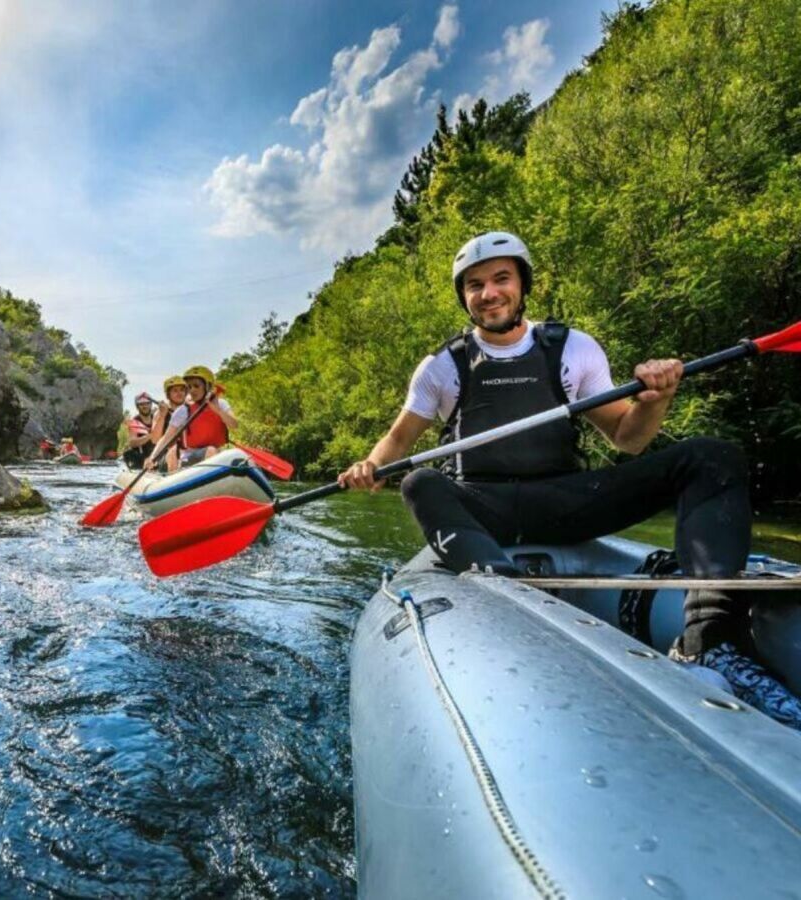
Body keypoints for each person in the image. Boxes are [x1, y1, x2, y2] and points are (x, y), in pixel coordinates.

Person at [337, 230, 801, 728]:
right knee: (419, 482)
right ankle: (509, 592)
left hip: (565, 501)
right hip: (483, 508)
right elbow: (397, 444)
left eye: (500, 279)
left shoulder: (571, 348)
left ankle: (710, 641)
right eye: (475, 284)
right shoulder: (442, 366)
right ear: (464, 296)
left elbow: (628, 439)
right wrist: (369, 465)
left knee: (711, 457)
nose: (489, 293)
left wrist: (655, 400)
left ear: (522, 285)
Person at [145, 365, 238, 472]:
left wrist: (218, 410)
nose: (192, 390)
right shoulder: (183, 410)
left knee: (215, 452)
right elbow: (166, 438)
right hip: (189, 456)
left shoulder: (221, 404)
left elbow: (234, 425)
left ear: (208, 386)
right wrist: (152, 457)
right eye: (189, 387)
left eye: (196, 386)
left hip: (217, 453)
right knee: (210, 451)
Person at [152, 375, 189, 470]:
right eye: (175, 391)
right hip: (165, 454)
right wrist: (162, 416)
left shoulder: (190, 410)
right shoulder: (159, 413)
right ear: (168, 394)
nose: (179, 393)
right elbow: (155, 440)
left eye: (182, 390)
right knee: (174, 450)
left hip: (187, 451)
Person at [122, 392, 157, 469]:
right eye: (141, 404)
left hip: (156, 455)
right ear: (137, 406)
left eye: (147, 403)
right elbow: (132, 442)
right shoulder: (134, 422)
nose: (145, 406)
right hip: (141, 458)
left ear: (150, 404)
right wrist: (149, 436)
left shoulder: (156, 418)